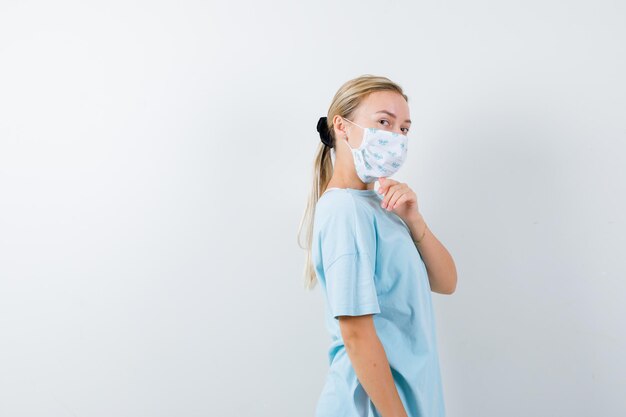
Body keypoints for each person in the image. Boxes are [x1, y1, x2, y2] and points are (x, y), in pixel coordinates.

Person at [297, 74, 458, 417]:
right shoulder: (345, 211)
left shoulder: (378, 207)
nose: (396, 137)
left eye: (404, 128)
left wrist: (414, 220)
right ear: (342, 127)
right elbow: (355, 333)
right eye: (384, 122)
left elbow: (446, 283)